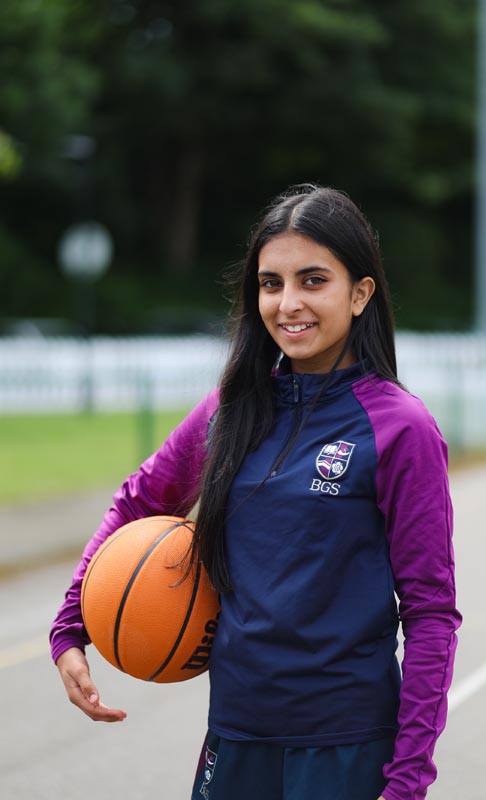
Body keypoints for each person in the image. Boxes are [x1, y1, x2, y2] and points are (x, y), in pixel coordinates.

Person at [50, 184, 461, 800]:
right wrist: (70, 626)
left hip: (345, 744)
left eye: (313, 280)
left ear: (361, 293)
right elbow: (139, 501)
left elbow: (431, 613)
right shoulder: (229, 411)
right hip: (236, 736)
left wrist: (407, 780)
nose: (288, 303)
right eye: (271, 283)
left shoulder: (400, 428)